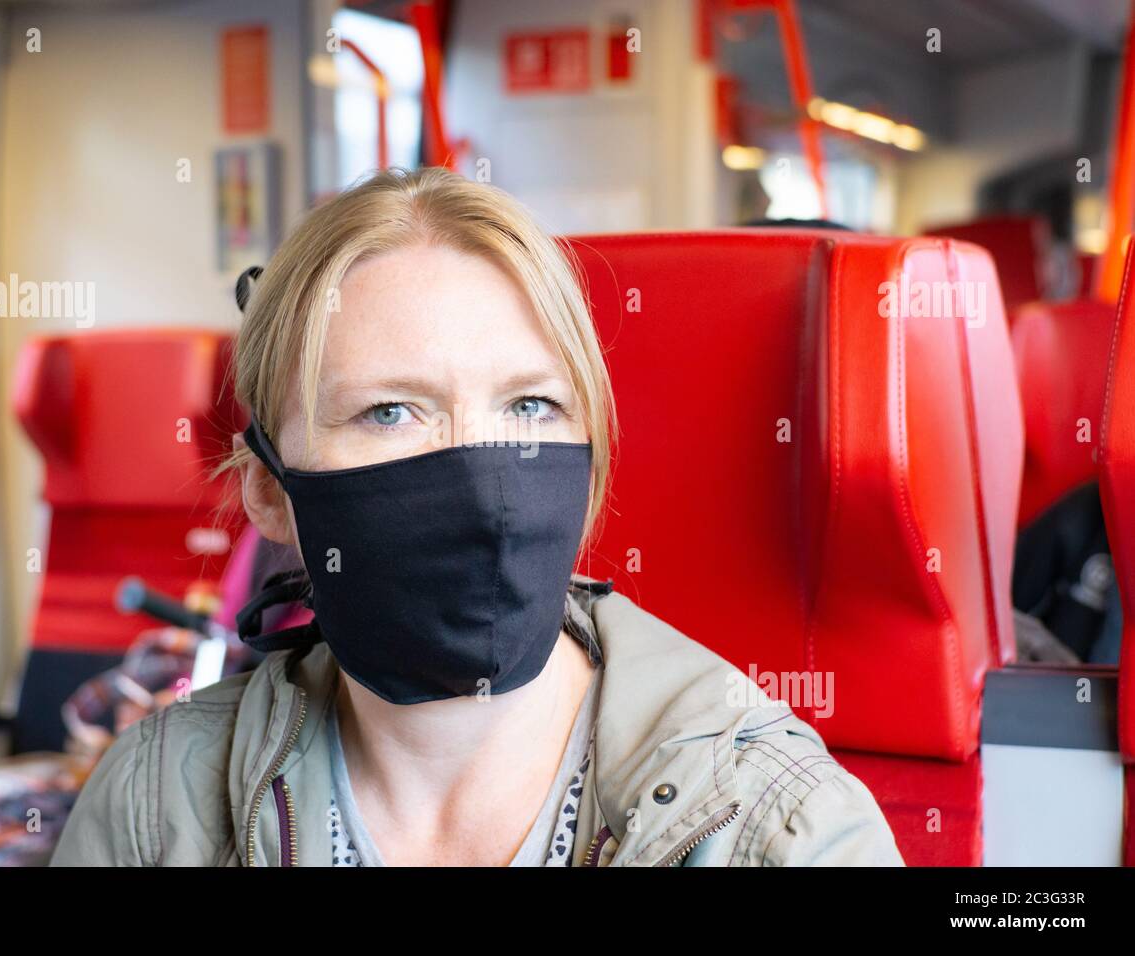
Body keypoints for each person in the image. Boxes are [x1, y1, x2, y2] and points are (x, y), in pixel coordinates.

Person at [50, 166, 902, 867]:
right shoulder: (151, 810)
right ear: (270, 490)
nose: (482, 475)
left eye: (530, 407)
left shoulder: (776, 827)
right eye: (390, 412)